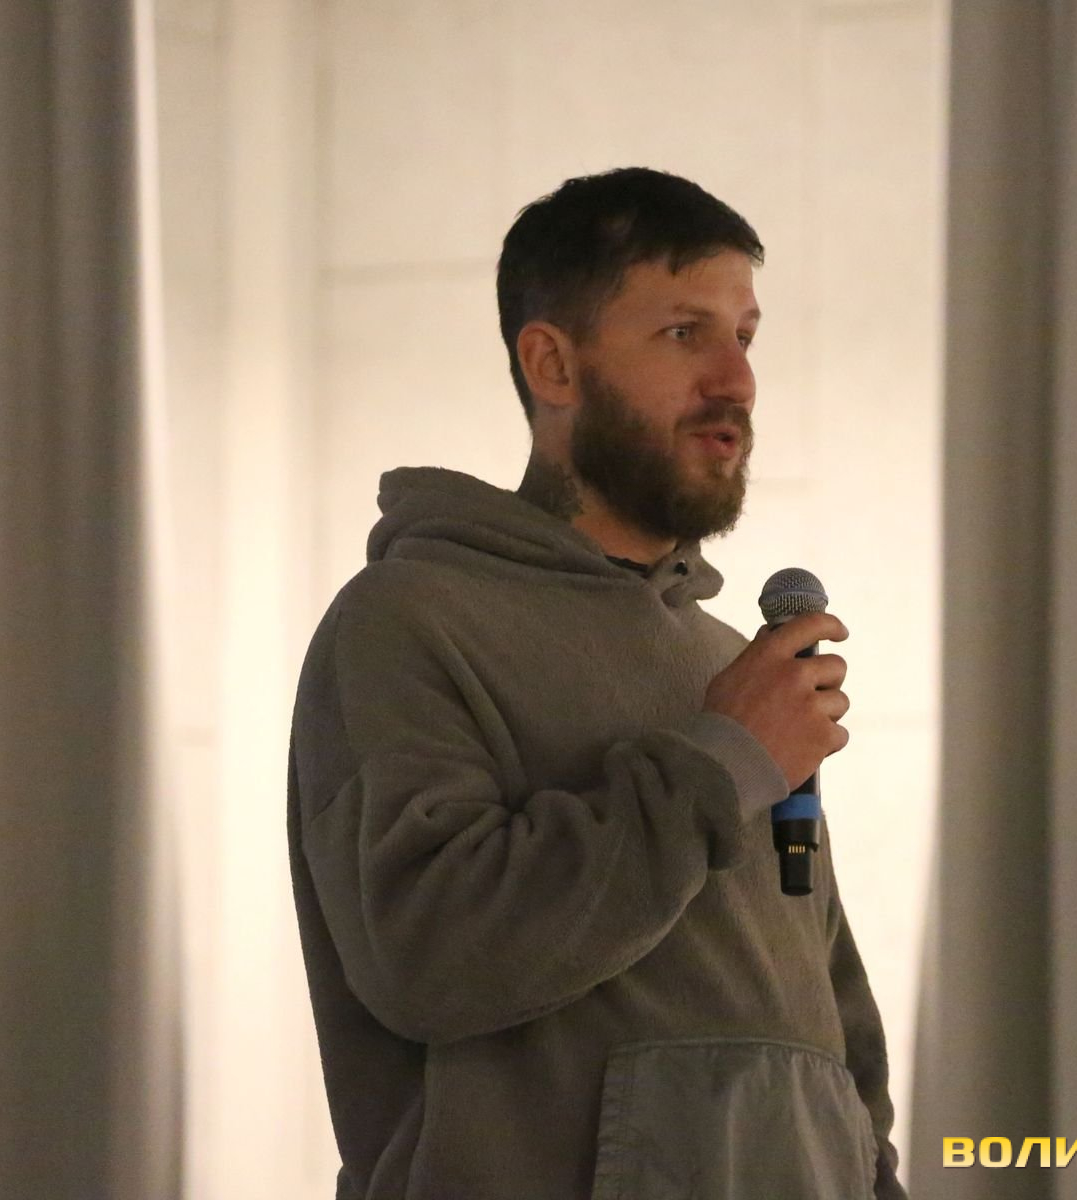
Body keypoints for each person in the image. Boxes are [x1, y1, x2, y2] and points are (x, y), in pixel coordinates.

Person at [288, 166, 905, 1200]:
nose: (736, 381)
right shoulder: (409, 620)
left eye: (745, 336)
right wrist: (721, 763)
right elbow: (429, 958)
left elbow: (823, 1009)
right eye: (684, 333)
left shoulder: (730, 663)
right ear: (554, 365)